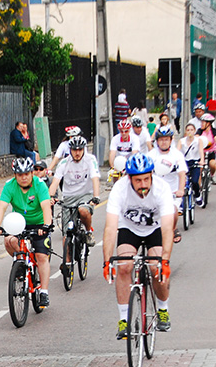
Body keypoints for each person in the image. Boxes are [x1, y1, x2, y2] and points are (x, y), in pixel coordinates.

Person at [102, 153, 175, 340]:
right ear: (129, 179)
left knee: (156, 268)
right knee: (124, 266)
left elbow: (168, 228)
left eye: (146, 179)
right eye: (138, 180)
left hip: (155, 228)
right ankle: (124, 320)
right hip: (129, 228)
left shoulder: (162, 188)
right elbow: (110, 227)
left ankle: (163, 309)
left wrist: (165, 260)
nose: (143, 184)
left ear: (152, 176)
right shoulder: (120, 189)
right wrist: (107, 261)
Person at [0, 157, 54, 308]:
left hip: (39, 224)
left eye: (27, 174)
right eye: (20, 175)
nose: (24, 177)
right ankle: (20, 264)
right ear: (15, 175)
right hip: (18, 223)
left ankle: (44, 292)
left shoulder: (40, 185)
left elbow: (46, 207)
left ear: (32, 173)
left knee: (41, 256)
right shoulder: (9, 186)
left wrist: (46, 225)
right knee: (9, 240)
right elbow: (2, 207)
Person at [48, 134, 101, 246]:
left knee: (83, 210)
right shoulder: (64, 163)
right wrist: (50, 197)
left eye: (80, 150)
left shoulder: (90, 159)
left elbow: (95, 179)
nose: (77, 153)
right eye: (74, 150)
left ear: (84, 149)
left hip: (85, 194)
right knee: (66, 236)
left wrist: (96, 196)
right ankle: (67, 257)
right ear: (70, 150)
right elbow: (55, 182)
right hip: (68, 197)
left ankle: (88, 232)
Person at [148, 125, 187, 244]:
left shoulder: (177, 155)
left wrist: (181, 190)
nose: (163, 142)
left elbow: (182, 174)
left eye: (166, 139)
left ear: (170, 141)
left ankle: (173, 229)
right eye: (161, 140)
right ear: (157, 141)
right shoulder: (151, 155)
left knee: (173, 210)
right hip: (155, 191)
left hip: (172, 191)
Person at [178, 122, 208, 207]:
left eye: (191, 130)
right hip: (185, 162)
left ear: (194, 131)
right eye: (188, 130)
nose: (190, 132)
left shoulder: (198, 140)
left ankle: (197, 196)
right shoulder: (182, 141)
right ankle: (181, 202)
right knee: (182, 182)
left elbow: (201, 151)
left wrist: (202, 160)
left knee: (195, 181)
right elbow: (177, 152)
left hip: (195, 162)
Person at [198, 113, 216, 188]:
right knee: (200, 168)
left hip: (211, 152)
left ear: (208, 123)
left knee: (212, 164)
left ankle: (211, 175)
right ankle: (199, 187)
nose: (201, 124)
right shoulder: (200, 131)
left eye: (203, 122)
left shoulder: (213, 131)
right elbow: (196, 138)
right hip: (201, 152)